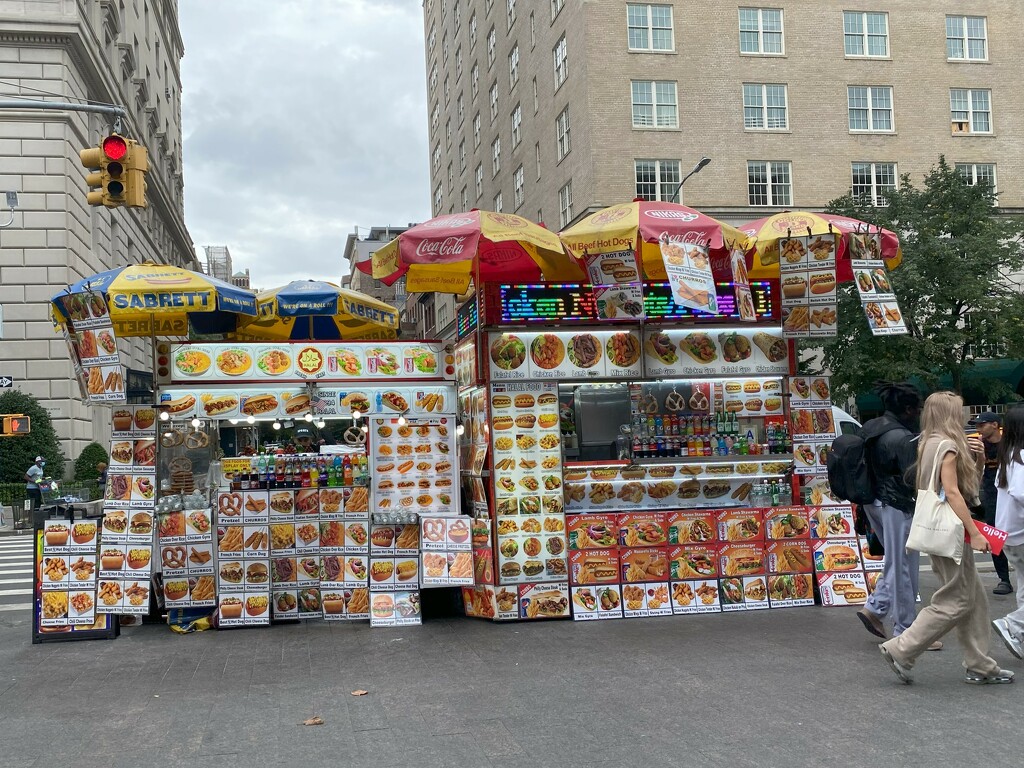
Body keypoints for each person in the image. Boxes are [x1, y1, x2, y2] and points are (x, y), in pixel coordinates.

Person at [880, 391, 1013, 685]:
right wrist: (976, 533)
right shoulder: (949, 446)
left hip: (935, 528)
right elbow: (953, 493)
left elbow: (954, 487)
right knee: (956, 599)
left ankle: (980, 664)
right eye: (958, 410)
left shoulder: (929, 443)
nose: (963, 415)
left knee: (974, 598)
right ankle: (901, 649)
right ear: (949, 414)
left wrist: (975, 459)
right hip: (950, 530)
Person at [856, 383, 933, 645]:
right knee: (903, 566)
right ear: (909, 409)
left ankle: (876, 608)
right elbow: (913, 477)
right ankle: (906, 630)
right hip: (897, 504)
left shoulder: (871, 427)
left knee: (895, 561)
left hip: (872, 501)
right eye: (917, 409)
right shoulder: (903, 437)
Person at [992, 405, 1024, 659]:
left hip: (1007, 534)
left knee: (1023, 582)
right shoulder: (1022, 456)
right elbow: (1020, 492)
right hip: (1021, 533)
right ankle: (1013, 624)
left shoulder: (1009, 455)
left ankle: (1019, 634)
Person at [975, 412, 1013, 594]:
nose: (978, 429)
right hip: (991, 495)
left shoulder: (1009, 444)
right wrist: (978, 456)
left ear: (995, 424)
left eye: (982, 425)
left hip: (1012, 493)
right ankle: (1004, 579)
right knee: (995, 537)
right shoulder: (978, 445)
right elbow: (973, 473)